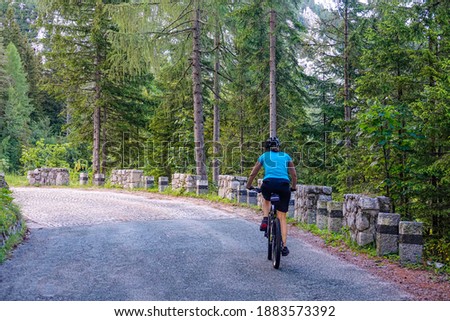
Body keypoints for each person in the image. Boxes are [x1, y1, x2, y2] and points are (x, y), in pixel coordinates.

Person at [246, 137, 297, 256]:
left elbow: (253, 173)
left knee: (266, 199)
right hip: (284, 185)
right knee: (282, 217)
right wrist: (293, 187)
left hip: (268, 184)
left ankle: (265, 218)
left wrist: (249, 185)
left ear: (267, 147)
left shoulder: (264, 156)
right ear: (278, 147)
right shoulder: (286, 156)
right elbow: (294, 175)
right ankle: (284, 246)